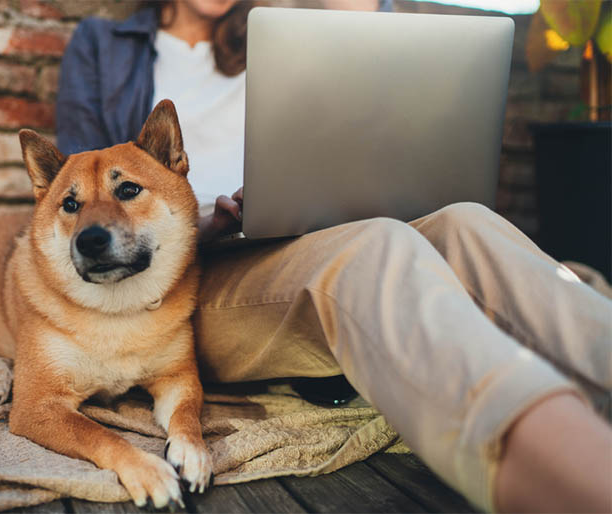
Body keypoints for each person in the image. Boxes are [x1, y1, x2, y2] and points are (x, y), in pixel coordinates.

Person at [56, 1, 612, 512]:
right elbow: (82, 193)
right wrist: (205, 224)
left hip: (289, 240)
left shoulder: (278, 32)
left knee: (467, 222)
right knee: (374, 251)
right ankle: (563, 466)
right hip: (183, 280)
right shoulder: (105, 44)